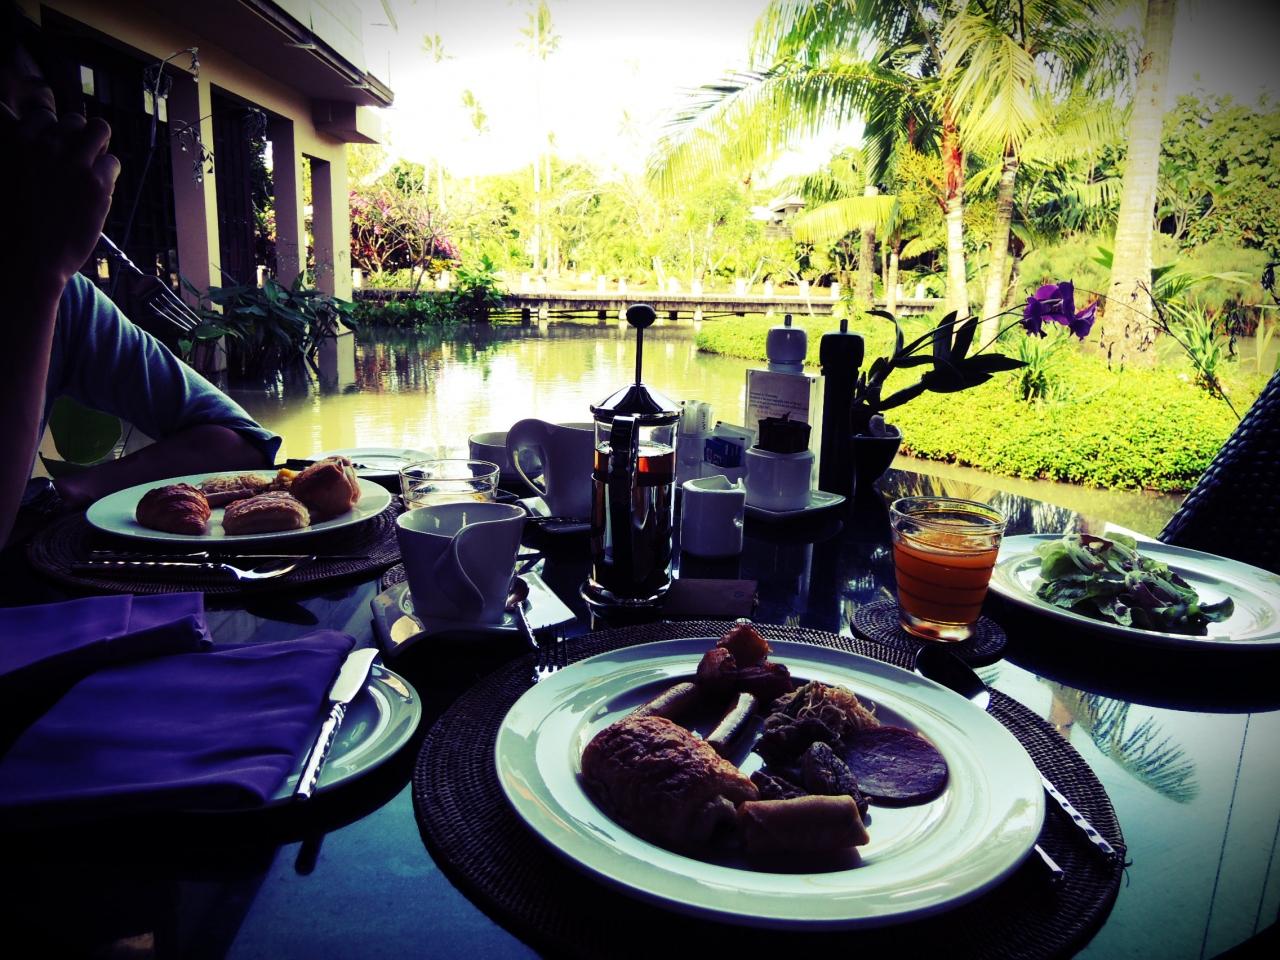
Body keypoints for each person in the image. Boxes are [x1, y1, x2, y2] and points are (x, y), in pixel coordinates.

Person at [0, 6, 280, 547]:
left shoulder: (70, 305)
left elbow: (240, 442)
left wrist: (65, 493)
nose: (26, 140)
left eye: (37, 111)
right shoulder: (47, 283)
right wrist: (38, 271)